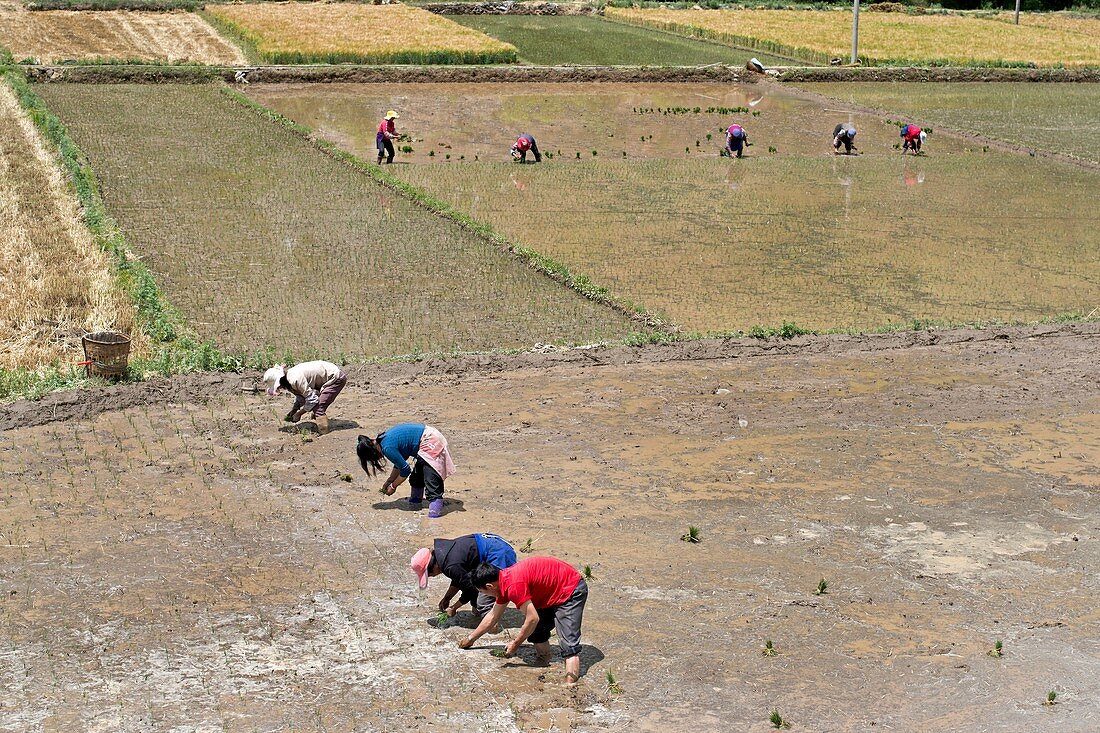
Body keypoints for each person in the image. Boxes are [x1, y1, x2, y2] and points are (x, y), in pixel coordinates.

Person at [459, 556, 589, 684]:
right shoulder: (503, 581)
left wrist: (516, 643)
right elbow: (493, 616)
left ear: (490, 586)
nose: (485, 595)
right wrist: (470, 639)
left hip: (571, 588)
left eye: (483, 592)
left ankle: (570, 687)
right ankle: (544, 661)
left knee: (568, 645)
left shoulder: (513, 586)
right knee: (536, 632)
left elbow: (532, 618)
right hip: (550, 591)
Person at [357, 423, 455, 518]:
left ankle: (435, 517)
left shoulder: (387, 447)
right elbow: (399, 463)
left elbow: (405, 470)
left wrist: (393, 486)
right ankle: (415, 503)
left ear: (372, 453)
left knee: (432, 482)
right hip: (427, 438)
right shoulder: (383, 440)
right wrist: (390, 480)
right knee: (416, 479)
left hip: (430, 440)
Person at [410, 533, 517, 618]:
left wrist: (454, 607)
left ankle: (492, 630)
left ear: (433, 566)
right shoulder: (444, 554)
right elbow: (460, 579)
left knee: (483, 603)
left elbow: (471, 589)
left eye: (430, 574)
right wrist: (447, 598)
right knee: (476, 607)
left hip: (499, 554)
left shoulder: (451, 565)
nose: (432, 576)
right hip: (493, 543)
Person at [262, 361, 346, 435]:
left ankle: (325, 433)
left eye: (278, 386)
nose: (279, 388)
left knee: (318, 407)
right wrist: (294, 410)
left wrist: (299, 414)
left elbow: (312, 400)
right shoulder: (289, 378)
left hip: (335, 378)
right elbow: (301, 396)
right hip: (325, 377)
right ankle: (318, 420)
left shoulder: (295, 379)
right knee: (315, 406)